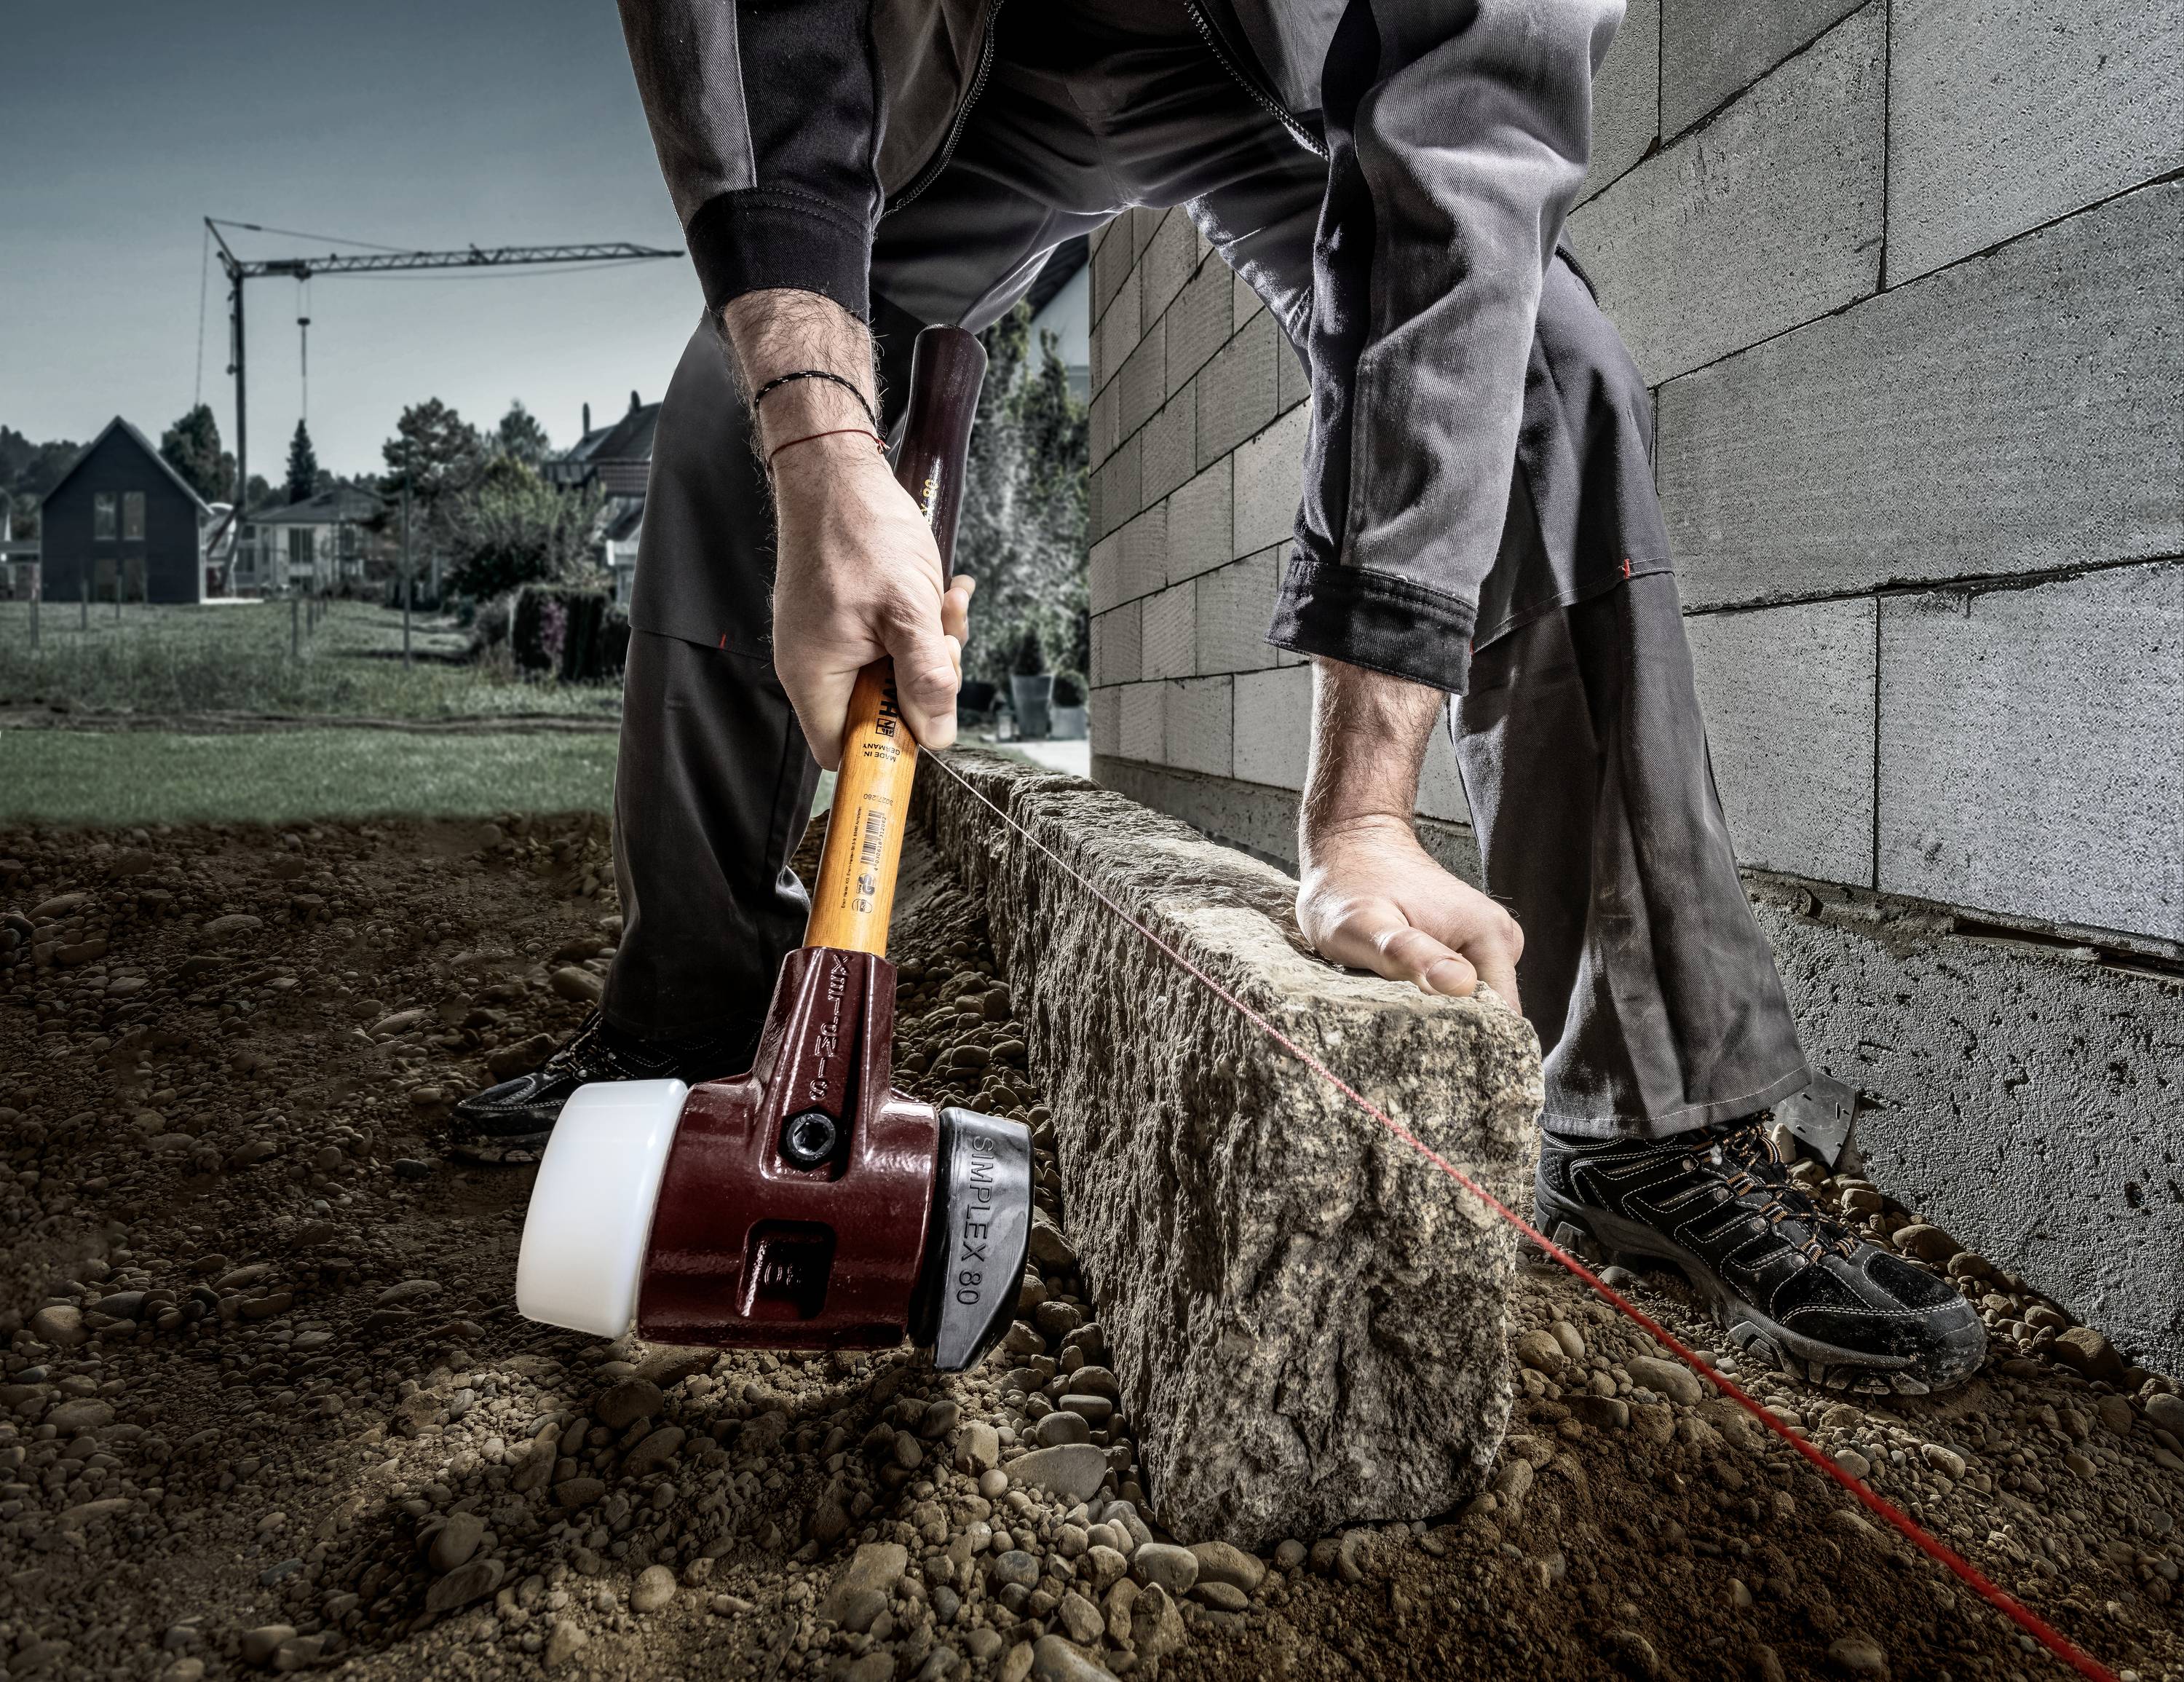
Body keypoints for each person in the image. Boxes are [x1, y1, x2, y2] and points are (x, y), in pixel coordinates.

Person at [455, 0, 1983, 1393]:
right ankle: (689, 1040)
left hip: (1273, 57)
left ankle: (1645, 1114)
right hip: (966, 58)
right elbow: (745, 43)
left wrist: (1362, 808)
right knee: (733, 404)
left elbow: (1456, 214)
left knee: (1551, 377)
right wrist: (822, 439)